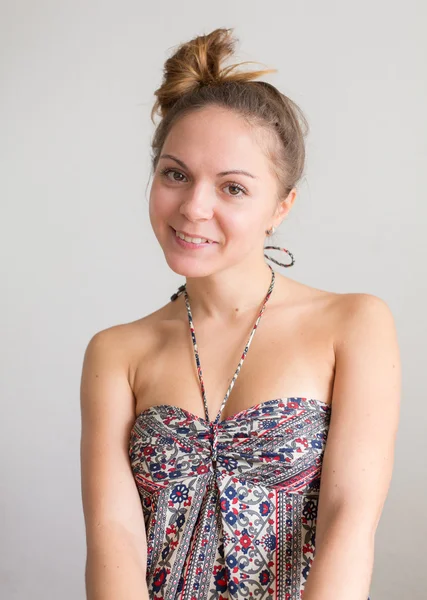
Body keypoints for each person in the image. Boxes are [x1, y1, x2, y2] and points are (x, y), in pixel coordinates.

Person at [80, 27, 401, 600]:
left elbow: (350, 524)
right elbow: (114, 538)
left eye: (232, 188)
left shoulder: (353, 325)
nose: (194, 208)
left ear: (281, 207)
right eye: (175, 174)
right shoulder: (116, 352)